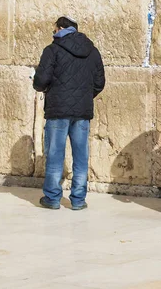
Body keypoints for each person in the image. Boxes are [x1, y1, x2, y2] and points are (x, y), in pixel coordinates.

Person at [33, 16, 105, 210]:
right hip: (82, 111)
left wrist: (50, 91)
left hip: (57, 110)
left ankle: (53, 198)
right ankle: (78, 200)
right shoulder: (92, 51)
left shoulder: (52, 50)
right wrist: (84, 96)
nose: (53, 33)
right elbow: (99, 83)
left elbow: (40, 81)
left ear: (61, 28)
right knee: (81, 156)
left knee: (55, 155)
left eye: (54, 29)